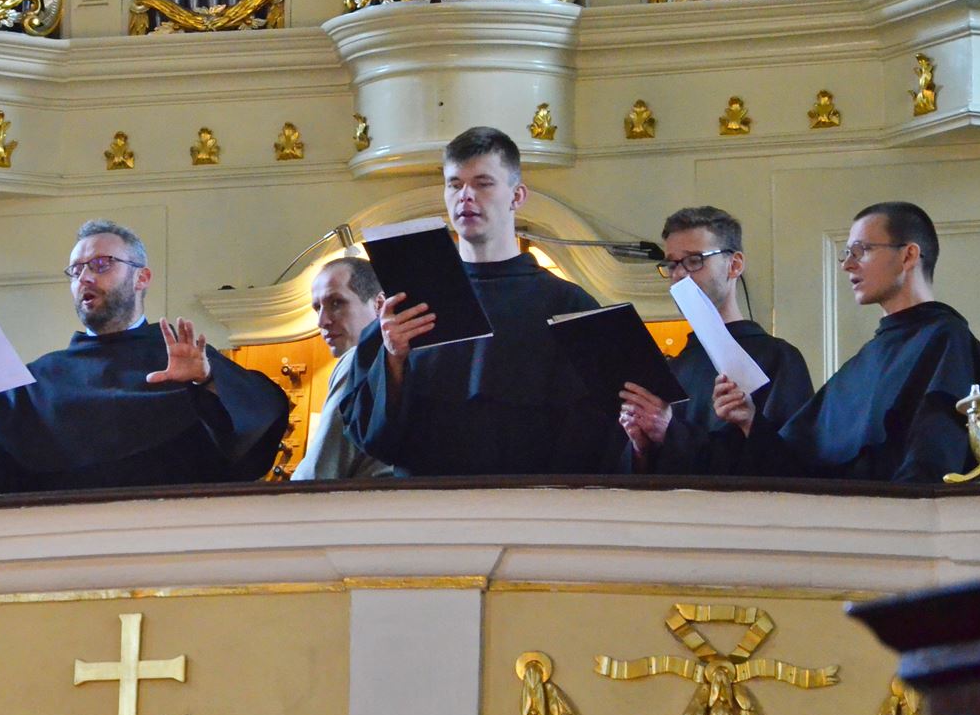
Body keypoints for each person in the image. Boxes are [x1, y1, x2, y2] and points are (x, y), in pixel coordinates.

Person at [0, 219, 289, 493]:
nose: (85, 277)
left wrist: (208, 382)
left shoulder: (185, 362)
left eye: (102, 264)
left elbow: (256, 428)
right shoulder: (38, 382)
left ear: (142, 277)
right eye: (76, 270)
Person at [340, 126, 614, 475]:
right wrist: (393, 360)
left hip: (532, 506)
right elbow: (369, 436)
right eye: (454, 184)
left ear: (517, 196)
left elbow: (600, 430)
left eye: (483, 183)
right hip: (427, 505)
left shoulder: (567, 304)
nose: (465, 196)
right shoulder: (408, 302)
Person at [714, 201, 980, 482]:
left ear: (908, 255)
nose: (847, 264)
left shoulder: (946, 339)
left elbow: (933, 457)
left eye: (860, 251)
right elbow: (800, 460)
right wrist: (749, 419)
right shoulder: (868, 357)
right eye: (846, 253)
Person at [617, 207, 812, 473]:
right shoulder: (674, 368)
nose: (679, 275)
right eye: (672, 264)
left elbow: (791, 465)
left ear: (735, 265)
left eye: (694, 260)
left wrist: (671, 430)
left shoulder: (778, 358)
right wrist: (642, 447)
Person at [290, 257, 393, 481]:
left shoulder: (355, 360)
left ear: (379, 304)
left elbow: (317, 475)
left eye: (336, 303)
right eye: (317, 308)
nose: (322, 321)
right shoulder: (401, 358)